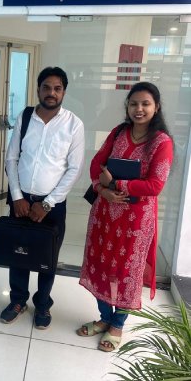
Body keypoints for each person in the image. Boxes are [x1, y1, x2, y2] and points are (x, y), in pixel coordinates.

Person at [77, 81, 174, 352]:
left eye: (145, 104)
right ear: (127, 106)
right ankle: (105, 318)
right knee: (101, 265)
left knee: (125, 273)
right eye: (133, 104)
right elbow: (97, 164)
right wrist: (102, 190)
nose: (138, 109)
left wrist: (116, 184)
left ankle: (117, 325)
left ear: (156, 107)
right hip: (105, 214)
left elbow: (155, 185)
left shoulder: (162, 142)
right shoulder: (119, 132)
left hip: (136, 222)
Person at [0, 66, 85, 329]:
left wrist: (47, 203)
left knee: (47, 257)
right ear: (38, 89)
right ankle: (17, 300)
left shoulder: (73, 124)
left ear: (64, 92)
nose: (51, 93)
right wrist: (17, 197)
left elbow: (74, 169)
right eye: (46, 87)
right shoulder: (25, 117)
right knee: (18, 252)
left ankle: (43, 304)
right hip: (21, 199)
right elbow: (11, 158)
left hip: (53, 205)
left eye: (57, 88)